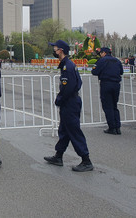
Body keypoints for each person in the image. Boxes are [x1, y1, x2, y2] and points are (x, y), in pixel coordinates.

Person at [44, 40, 93, 172]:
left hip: (70, 102)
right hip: (71, 101)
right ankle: (58, 156)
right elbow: (79, 82)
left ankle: (86, 160)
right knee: (64, 130)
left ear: (61, 50)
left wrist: (59, 99)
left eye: (55, 48)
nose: (54, 50)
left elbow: (69, 87)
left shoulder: (67, 66)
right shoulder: (67, 64)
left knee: (74, 131)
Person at [91, 47, 123, 135]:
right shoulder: (117, 60)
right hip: (116, 84)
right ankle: (117, 127)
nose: (100, 55)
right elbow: (121, 72)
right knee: (114, 106)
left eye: (100, 53)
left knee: (107, 106)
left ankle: (112, 127)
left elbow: (94, 71)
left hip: (106, 84)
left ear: (104, 53)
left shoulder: (102, 61)